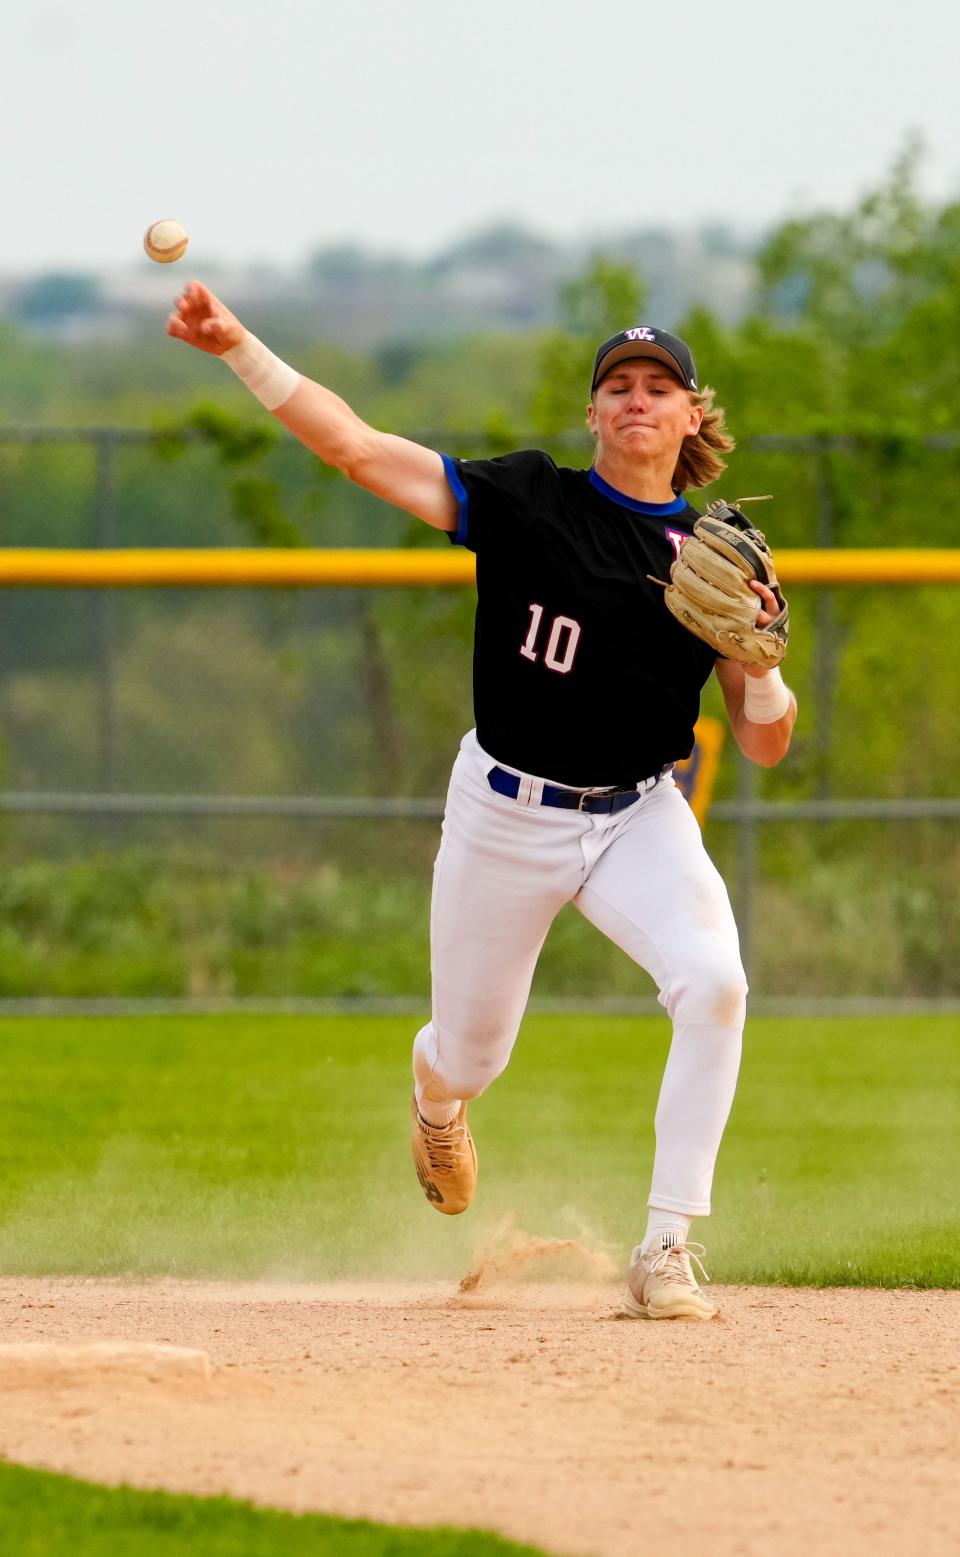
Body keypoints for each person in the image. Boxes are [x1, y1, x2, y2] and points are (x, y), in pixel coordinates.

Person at [168, 287, 797, 1320]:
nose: (637, 399)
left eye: (660, 387)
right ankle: (434, 1096)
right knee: (471, 1054)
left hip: (639, 814)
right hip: (505, 813)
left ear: (694, 417)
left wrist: (763, 665)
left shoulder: (716, 559)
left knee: (716, 983)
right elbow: (360, 453)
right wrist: (239, 346)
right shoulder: (530, 501)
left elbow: (766, 744)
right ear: (593, 415)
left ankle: (667, 1246)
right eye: (617, 386)